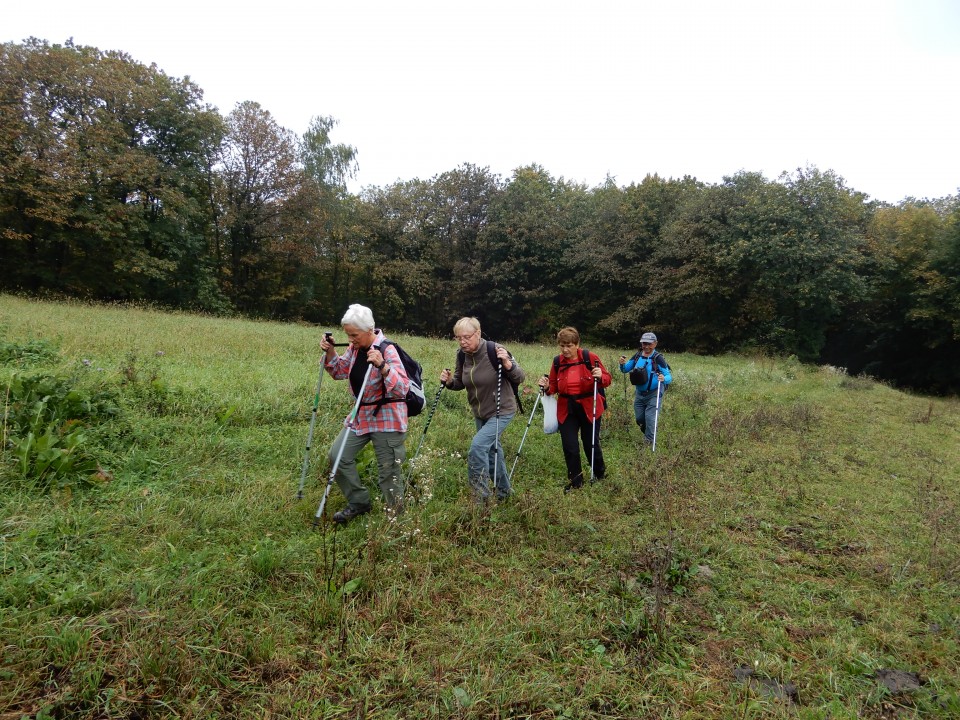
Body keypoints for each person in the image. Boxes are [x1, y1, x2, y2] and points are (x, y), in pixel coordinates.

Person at [320, 304, 409, 524]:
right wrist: (331, 351)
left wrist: (383, 366)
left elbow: (402, 389)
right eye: (348, 334)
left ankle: (396, 518)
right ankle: (359, 502)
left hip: (388, 417)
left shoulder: (387, 349)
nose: (350, 339)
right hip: (361, 415)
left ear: (370, 330)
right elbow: (339, 372)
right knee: (337, 456)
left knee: (388, 471)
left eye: (354, 334)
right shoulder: (354, 348)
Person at [439, 317, 526, 503]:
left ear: (478, 333)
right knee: (494, 451)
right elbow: (459, 382)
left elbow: (520, 377)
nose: (462, 342)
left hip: (501, 410)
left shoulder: (495, 350)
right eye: (458, 337)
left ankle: (481, 500)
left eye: (466, 337)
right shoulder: (462, 355)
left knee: (478, 447)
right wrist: (448, 382)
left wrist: (509, 365)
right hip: (480, 412)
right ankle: (504, 493)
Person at [537, 327, 612, 492]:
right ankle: (576, 481)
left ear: (577, 344)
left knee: (590, 443)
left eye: (569, 345)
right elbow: (554, 387)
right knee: (570, 445)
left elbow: (607, 379)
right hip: (567, 408)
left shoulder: (589, 357)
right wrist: (547, 386)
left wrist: (600, 376)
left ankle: (600, 474)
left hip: (588, 405)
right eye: (562, 345)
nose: (565, 349)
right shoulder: (557, 362)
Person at [619, 331, 672, 445]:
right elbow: (625, 369)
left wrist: (663, 378)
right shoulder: (637, 356)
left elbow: (669, 376)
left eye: (649, 344)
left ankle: (649, 443)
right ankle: (649, 433)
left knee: (650, 419)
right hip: (640, 393)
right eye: (644, 343)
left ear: (655, 344)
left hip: (654, 392)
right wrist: (622, 364)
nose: (647, 346)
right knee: (640, 419)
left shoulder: (658, 358)